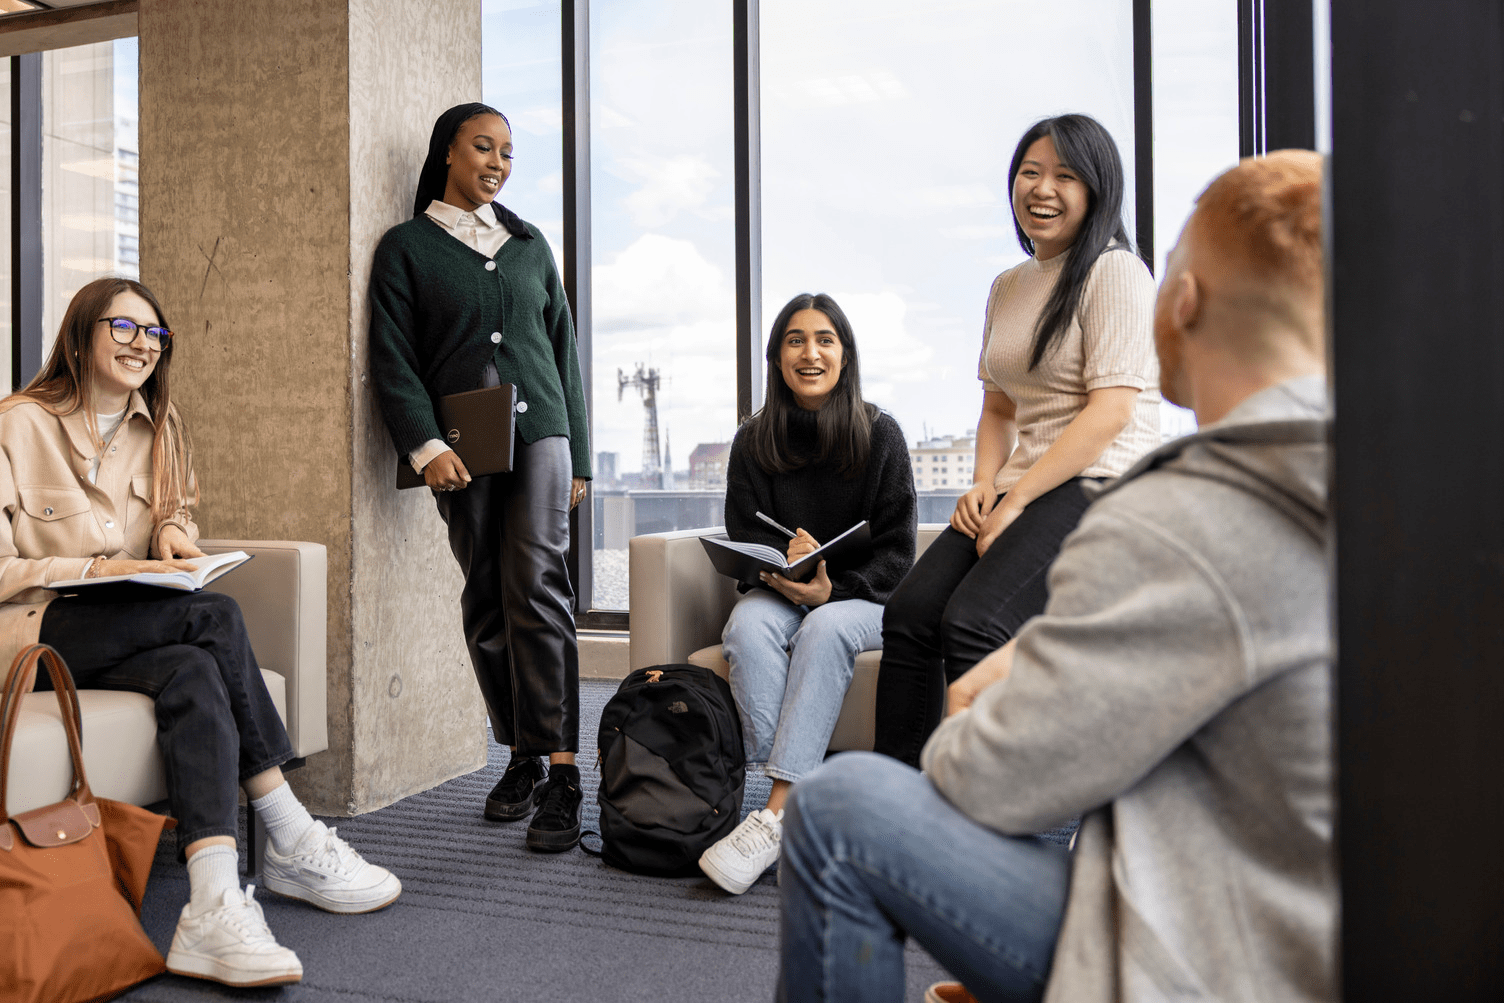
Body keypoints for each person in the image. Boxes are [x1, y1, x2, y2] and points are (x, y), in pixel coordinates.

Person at [777, 150, 1334, 1002]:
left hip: (1221, 964)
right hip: (1323, 923)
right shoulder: (1413, 488)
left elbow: (999, 773)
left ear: (1178, 306)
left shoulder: (1174, 515)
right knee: (917, 614)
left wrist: (979, 707)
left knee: (840, 807)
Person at [0, 277, 401, 988]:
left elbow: (172, 512)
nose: (142, 346)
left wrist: (175, 535)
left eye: (155, 335)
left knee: (192, 665)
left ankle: (212, 903)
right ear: (81, 333)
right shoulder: (16, 424)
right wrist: (96, 563)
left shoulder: (160, 425)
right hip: (28, 632)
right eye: (124, 329)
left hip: (117, 625)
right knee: (213, 617)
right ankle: (286, 825)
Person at [874, 113, 1160, 767]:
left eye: (1064, 175)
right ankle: (895, 798)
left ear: (1097, 188)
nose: (1042, 188)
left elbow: (1111, 411)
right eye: (1030, 172)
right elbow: (998, 408)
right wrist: (983, 485)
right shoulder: (1008, 286)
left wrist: (1018, 499)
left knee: (975, 621)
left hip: (1101, 482)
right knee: (911, 613)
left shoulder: (1114, 272)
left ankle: (993, 821)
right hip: (1023, 481)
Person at [368, 103, 590, 852]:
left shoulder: (529, 247)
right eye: (483, 147)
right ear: (449, 153)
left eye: (507, 152)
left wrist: (581, 455)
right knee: (487, 594)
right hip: (462, 443)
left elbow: (564, 350)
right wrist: (425, 443)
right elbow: (392, 356)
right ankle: (522, 755)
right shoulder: (407, 249)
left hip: (543, 434)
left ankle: (563, 768)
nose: (497, 162)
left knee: (536, 582)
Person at [696, 294, 917, 896]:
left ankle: (774, 814)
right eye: (795, 340)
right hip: (785, 589)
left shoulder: (881, 434)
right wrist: (775, 574)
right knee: (745, 626)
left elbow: (899, 556)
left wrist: (831, 590)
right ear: (776, 356)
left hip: (863, 599)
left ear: (845, 355)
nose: (810, 352)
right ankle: (794, 807)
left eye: (824, 339)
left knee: (825, 628)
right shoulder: (754, 439)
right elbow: (745, 532)